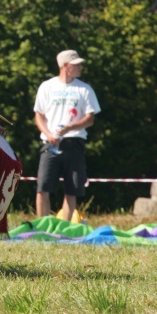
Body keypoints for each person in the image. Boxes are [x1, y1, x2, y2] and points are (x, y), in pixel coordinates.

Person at [34, 49, 101, 221]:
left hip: (75, 143)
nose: (81, 67)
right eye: (76, 64)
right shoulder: (47, 86)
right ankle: (43, 226)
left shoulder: (85, 89)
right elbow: (39, 115)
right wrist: (48, 133)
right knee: (43, 187)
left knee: (72, 189)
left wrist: (70, 127)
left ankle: (65, 227)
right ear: (65, 66)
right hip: (50, 144)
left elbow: (90, 119)